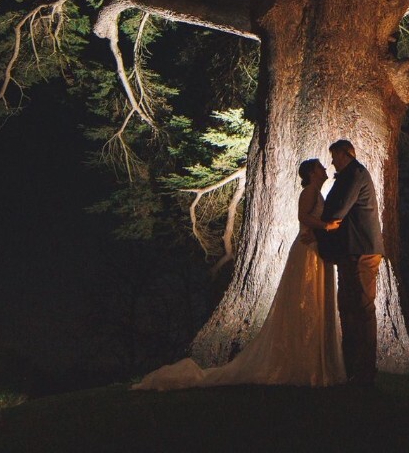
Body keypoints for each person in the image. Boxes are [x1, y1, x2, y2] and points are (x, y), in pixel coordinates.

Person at [131, 159, 345, 390]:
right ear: (312, 173)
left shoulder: (317, 192)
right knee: (307, 297)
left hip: (314, 247)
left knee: (313, 300)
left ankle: (312, 359)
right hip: (307, 251)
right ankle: (306, 362)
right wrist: (327, 227)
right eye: (321, 167)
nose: (326, 169)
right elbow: (303, 217)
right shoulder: (309, 192)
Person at [316, 139, 385, 386]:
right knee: (347, 306)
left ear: (346, 154)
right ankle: (350, 365)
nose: (332, 161)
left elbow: (338, 210)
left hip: (362, 251)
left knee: (363, 307)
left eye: (335, 155)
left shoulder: (355, 175)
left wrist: (317, 226)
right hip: (350, 251)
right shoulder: (349, 176)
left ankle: (365, 370)